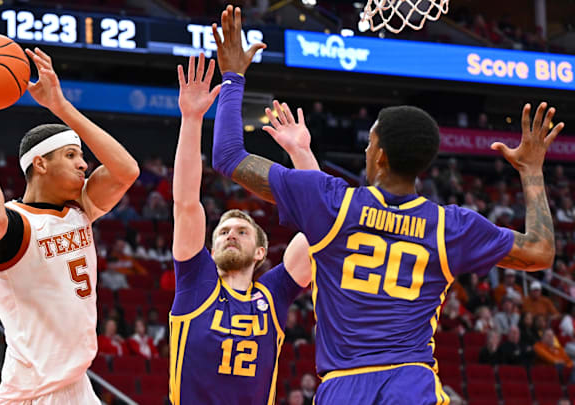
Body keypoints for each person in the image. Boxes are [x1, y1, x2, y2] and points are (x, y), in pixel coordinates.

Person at [210, 6, 561, 403]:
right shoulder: (450, 227)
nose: (366, 146)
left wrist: (233, 75)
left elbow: (227, 155)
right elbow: (539, 252)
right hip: (411, 385)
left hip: (343, 387)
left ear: (378, 156)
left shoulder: (331, 202)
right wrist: (531, 171)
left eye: (370, 140)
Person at [0, 46, 139, 405]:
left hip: (78, 385)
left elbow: (126, 171)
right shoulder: (16, 226)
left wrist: (60, 106)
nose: (84, 165)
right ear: (40, 164)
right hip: (34, 393)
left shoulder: (80, 207)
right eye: (71, 155)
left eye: (82, 155)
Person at [168, 54, 312, 405]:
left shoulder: (274, 293)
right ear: (211, 248)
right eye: (222, 231)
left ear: (261, 252)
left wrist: (302, 153)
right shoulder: (196, 279)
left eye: (242, 231)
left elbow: (320, 229)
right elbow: (186, 202)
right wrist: (191, 119)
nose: (230, 233)